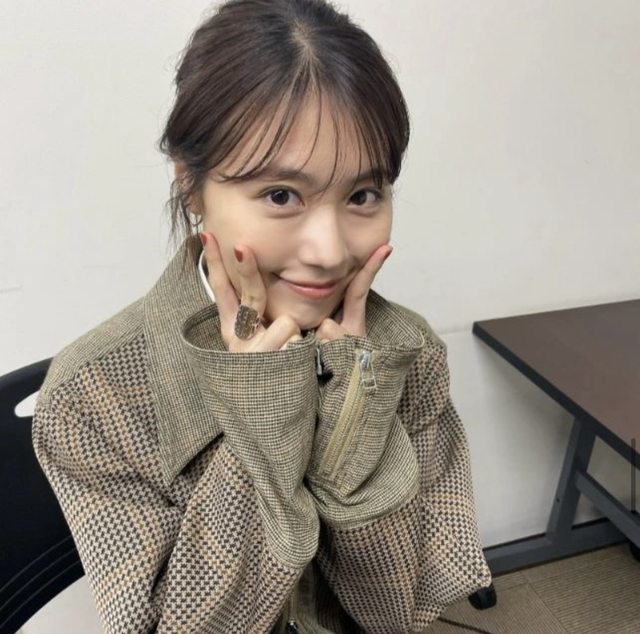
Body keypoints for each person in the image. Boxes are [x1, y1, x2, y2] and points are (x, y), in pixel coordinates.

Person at [32, 0, 492, 632]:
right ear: (190, 184)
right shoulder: (91, 395)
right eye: (281, 195)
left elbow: (397, 612)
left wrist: (355, 408)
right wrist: (260, 419)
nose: (328, 252)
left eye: (363, 194)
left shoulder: (405, 354)